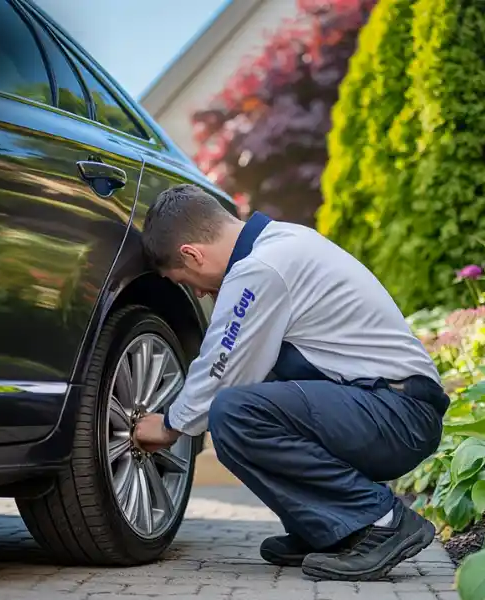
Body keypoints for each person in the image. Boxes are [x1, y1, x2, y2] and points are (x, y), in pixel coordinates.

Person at [133, 184, 447, 581]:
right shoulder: (282, 243)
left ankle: (381, 522)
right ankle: (330, 529)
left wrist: (167, 426)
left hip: (398, 414)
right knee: (252, 390)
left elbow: (220, 367)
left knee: (232, 412)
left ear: (191, 254)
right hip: (387, 406)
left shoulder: (261, 268)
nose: (196, 291)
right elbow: (244, 364)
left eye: (184, 280)